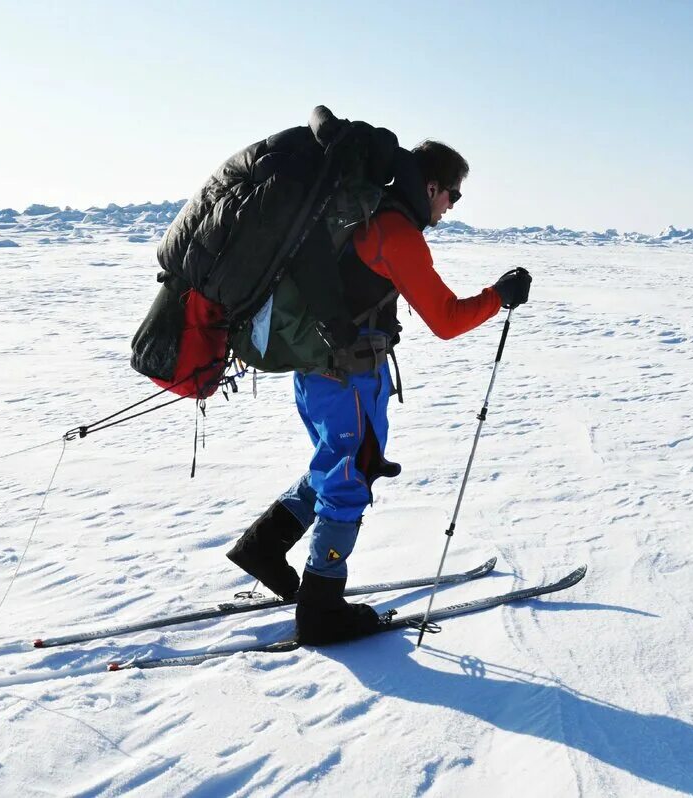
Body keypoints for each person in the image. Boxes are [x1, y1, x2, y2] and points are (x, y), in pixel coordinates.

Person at [227, 140, 532, 644]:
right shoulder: (395, 231)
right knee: (349, 475)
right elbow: (447, 320)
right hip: (347, 377)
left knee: (336, 462)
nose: (451, 206)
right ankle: (321, 608)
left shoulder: (362, 215)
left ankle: (264, 547)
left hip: (317, 373)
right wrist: (499, 296)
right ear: (431, 186)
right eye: (452, 195)